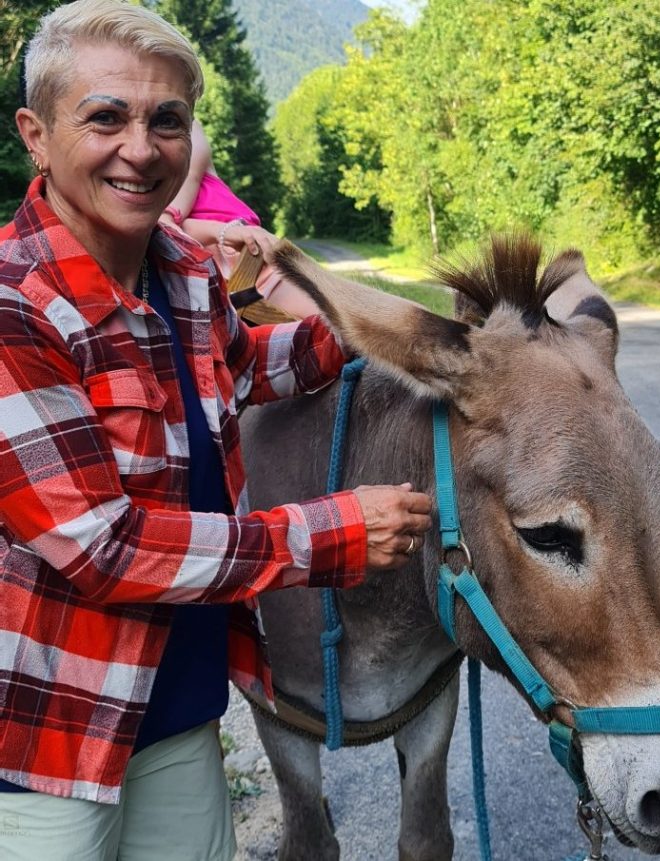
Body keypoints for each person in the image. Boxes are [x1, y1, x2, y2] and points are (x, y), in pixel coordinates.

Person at [0, 2, 432, 859]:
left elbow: (246, 368)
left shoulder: (185, 268)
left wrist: (382, 324)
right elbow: (103, 548)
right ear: (37, 136)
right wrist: (333, 533)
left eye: (168, 120)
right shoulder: (16, 307)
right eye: (106, 117)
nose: (142, 147)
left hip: (181, 706)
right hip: (52, 731)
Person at [159, 119, 319, 319]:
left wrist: (166, 217)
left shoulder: (187, 126)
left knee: (337, 324)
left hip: (244, 256)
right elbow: (161, 230)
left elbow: (189, 179)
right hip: (198, 276)